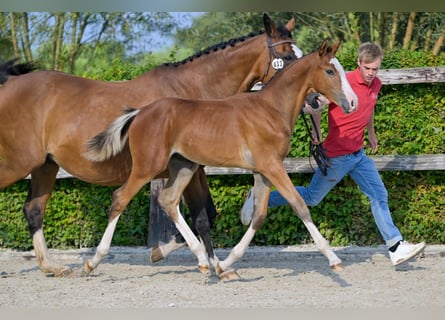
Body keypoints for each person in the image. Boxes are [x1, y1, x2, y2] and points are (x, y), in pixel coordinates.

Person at [240, 42, 426, 266]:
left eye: (375, 69)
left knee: (379, 195)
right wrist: (317, 135)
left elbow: (370, 107)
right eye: (367, 68)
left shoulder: (376, 84)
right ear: (359, 63)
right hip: (337, 156)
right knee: (311, 197)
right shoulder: (342, 81)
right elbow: (317, 106)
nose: (371, 74)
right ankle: (258, 197)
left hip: (358, 155)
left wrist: (372, 133)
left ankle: (395, 247)